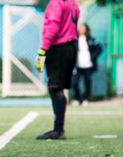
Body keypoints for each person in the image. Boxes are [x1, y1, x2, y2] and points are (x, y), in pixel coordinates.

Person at [35, 0, 80, 140]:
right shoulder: (73, 3)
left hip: (59, 48)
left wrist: (42, 50)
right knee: (57, 88)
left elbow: (52, 27)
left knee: (55, 88)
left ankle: (58, 130)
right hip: (71, 47)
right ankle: (58, 128)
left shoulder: (56, 3)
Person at [72, 24, 103, 107]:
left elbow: (99, 48)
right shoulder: (74, 40)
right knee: (75, 82)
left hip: (88, 65)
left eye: (83, 28)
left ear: (86, 30)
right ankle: (77, 99)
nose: (81, 29)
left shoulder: (91, 40)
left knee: (87, 83)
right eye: (80, 28)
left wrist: (92, 57)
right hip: (77, 66)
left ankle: (86, 99)